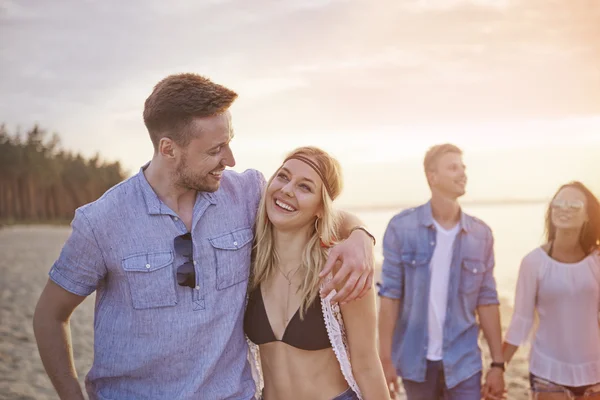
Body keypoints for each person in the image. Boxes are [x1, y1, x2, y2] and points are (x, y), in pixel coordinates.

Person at [32, 73, 375, 400]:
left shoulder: (246, 194)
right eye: (215, 150)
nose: (230, 159)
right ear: (168, 149)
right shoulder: (101, 221)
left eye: (229, 143)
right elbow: (50, 315)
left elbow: (313, 208)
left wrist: (360, 235)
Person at [244, 146, 390, 400]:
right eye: (283, 177)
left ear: (321, 208)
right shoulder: (250, 264)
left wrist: (361, 233)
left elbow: (367, 366)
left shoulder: (342, 270)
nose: (287, 189)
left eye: (305, 187)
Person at [377, 143, 505, 400]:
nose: (462, 173)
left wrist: (498, 365)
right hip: (415, 363)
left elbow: (487, 301)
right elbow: (390, 297)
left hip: (464, 362)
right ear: (432, 177)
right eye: (453, 167)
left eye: (463, 167)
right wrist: (385, 359)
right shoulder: (401, 228)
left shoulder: (481, 235)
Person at [503, 181, 600, 399]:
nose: (564, 208)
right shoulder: (533, 262)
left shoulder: (597, 261)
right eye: (559, 203)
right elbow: (521, 320)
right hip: (548, 372)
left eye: (574, 205)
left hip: (595, 371)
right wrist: (499, 367)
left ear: (587, 215)